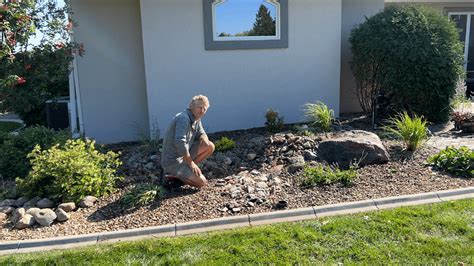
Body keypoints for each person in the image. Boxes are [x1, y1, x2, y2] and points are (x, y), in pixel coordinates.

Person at [161, 95, 215, 188]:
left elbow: (201, 132)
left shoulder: (196, 118)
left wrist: (204, 139)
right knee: (201, 182)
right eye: (200, 107)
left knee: (210, 146)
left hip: (183, 158)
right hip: (172, 162)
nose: (202, 111)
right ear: (191, 106)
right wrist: (191, 163)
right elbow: (180, 142)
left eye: (205, 109)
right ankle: (172, 175)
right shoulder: (183, 118)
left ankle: (185, 171)